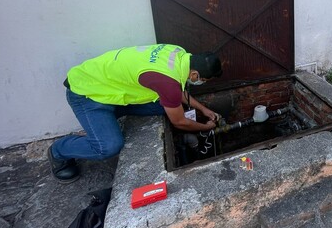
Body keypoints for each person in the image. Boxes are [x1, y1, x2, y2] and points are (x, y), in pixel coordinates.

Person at [48, 44, 223, 183]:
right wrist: (206, 127)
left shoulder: (178, 53)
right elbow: (179, 122)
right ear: (194, 74)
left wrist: (203, 109)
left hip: (111, 88)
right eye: (203, 80)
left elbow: (176, 90)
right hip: (87, 92)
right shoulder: (167, 81)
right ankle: (58, 151)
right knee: (108, 146)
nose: (201, 82)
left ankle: (107, 120)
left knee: (163, 107)